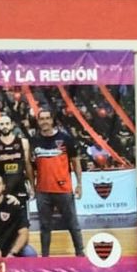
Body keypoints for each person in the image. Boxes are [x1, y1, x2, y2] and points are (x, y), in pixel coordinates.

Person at [28, 107, 83, 257]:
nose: (45, 121)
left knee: (73, 224)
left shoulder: (65, 139)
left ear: (52, 120)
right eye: (41, 119)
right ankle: (45, 257)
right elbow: (30, 167)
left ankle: (80, 254)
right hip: (42, 191)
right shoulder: (33, 141)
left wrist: (79, 184)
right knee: (45, 226)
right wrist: (32, 187)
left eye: (47, 118)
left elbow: (76, 162)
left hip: (63, 189)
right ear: (38, 122)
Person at [0, 172, 32, 257]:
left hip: (8, 248)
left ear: (3, 186)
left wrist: (13, 253)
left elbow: (24, 232)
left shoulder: (13, 205)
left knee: (30, 253)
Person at [0, 113, 31, 198]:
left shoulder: (23, 142)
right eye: (2, 124)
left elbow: (28, 164)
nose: (4, 126)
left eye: (7, 124)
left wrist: (32, 185)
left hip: (19, 185)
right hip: (1, 188)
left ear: (12, 125)